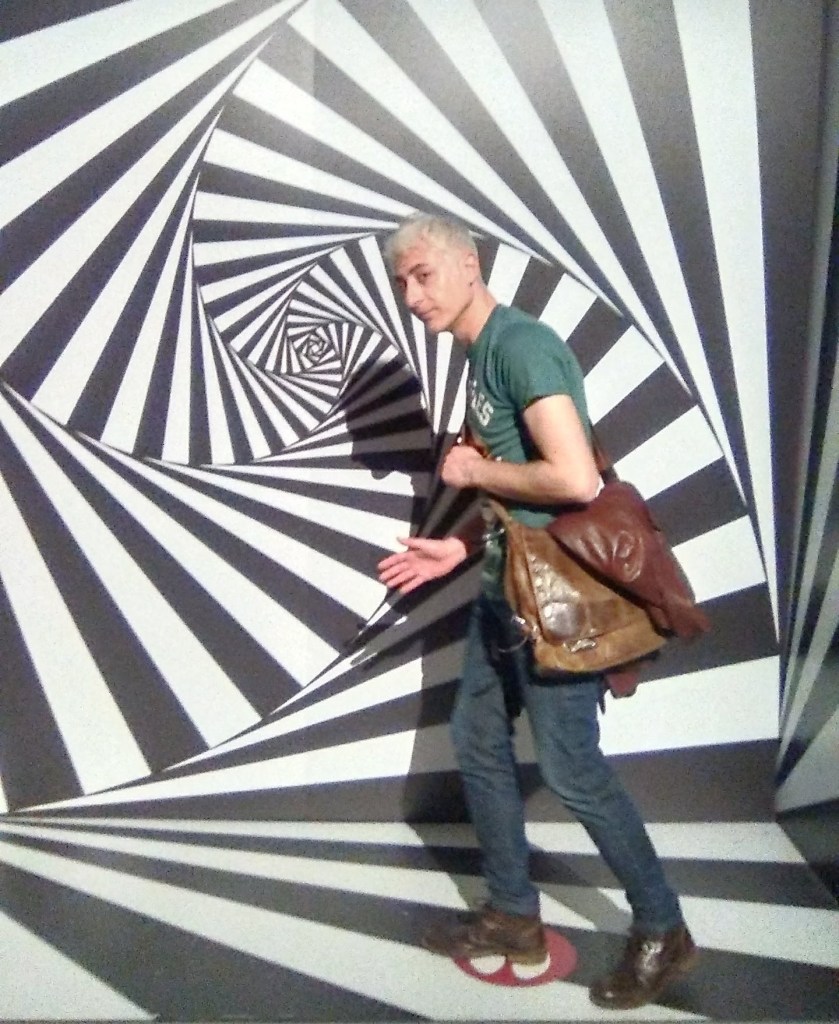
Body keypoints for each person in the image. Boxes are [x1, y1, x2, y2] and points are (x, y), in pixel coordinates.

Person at [377, 212, 698, 1010]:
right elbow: (521, 490)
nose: (412, 296)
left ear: (468, 265)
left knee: (571, 771)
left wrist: (469, 474)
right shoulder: (479, 353)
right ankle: (514, 915)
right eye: (402, 283)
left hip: (555, 608)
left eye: (423, 275)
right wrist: (457, 548)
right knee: (477, 742)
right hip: (504, 592)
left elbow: (573, 480)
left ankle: (662, 928)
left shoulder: (520, 346)